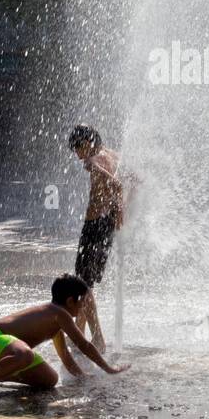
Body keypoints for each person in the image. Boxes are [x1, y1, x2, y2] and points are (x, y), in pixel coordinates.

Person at [0, 274, 130, 408]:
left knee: (50, 380)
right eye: (81, 302)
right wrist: (109, 369)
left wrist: (83, 377)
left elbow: (65, 357)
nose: (83, 308)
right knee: (26, 355)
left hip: (10, 350)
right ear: (70, 301)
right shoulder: (60, 314)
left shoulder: (55, 321)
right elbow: (84, 345)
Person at [67, 124, 125, 352]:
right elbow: (132, 178)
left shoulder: (92, 162)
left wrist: (120, 206)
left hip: (94, 227)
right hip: (106, 225)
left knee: (82, 285)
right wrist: (117, 211)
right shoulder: (112, 155)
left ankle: (98, 338)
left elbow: (117, 184)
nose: (78, 155)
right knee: (86, 282)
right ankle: (78, 333)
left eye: (77, 149)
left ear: (87, 143)